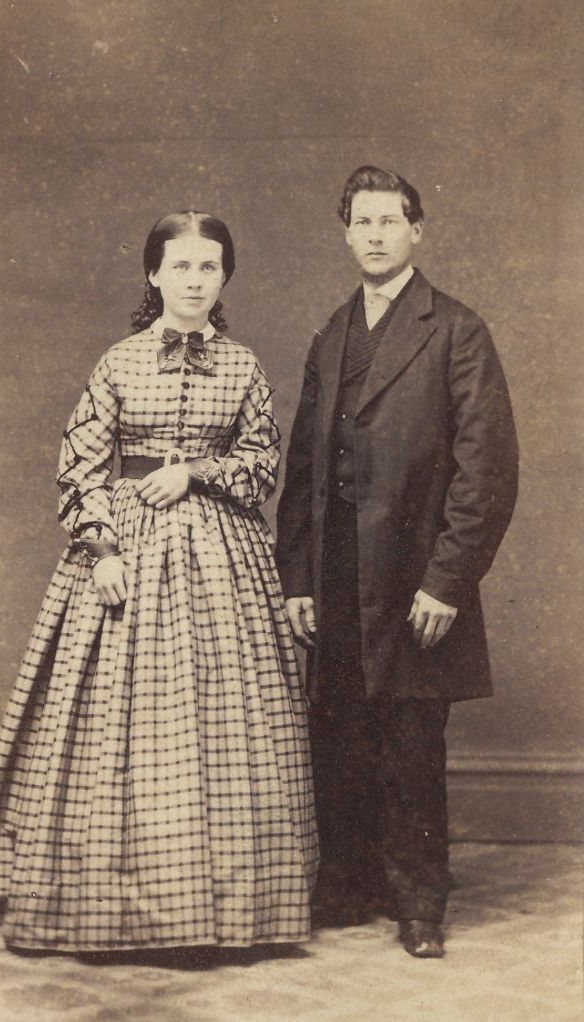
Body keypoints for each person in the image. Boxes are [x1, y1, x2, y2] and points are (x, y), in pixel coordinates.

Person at [0, 211, 318, 953]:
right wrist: (103, 551)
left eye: (209, 267)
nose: (195, 281)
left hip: (224, 557)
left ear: (225, 277)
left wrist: (197, 472)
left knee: (227, 724)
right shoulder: (118, 363)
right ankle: (111, 905)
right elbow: (80, 466)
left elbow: (261, 465)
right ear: (154, 274)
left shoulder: (244, 367)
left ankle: (227, 911)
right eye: (180, 266)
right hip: (129, 547)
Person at [275, 166, 518, 958]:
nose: (375, 235)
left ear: (417, 230)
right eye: (362, 222)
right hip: (337, 575)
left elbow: (487, 471)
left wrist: (447, 581)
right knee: (339, 732)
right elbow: (303, 471)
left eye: (389, 221)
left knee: (412, 740)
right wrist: (298, 579)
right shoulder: (332, 334)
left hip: (416, 578)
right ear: (346, 234)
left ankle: (419, 902)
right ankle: (348, 885)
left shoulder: (456, 331)